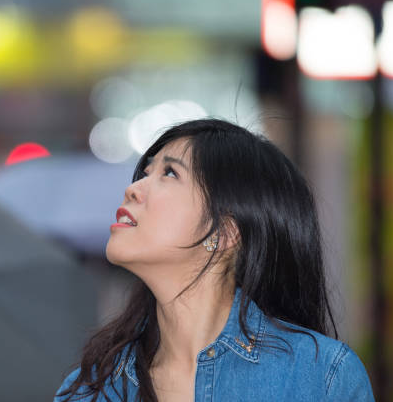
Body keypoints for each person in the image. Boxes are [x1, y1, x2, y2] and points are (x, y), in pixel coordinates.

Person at [54, 119, 375, 401]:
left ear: (225, 232)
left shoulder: (319, 377)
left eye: (169, 172)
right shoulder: (93, 389)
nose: (133, 188)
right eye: (146, 171)